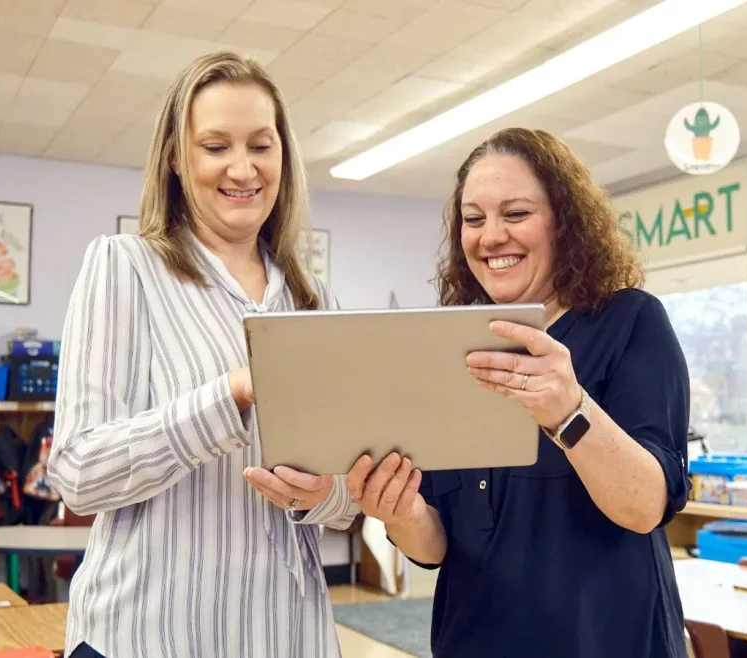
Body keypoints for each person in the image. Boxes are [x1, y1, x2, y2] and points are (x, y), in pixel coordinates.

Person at [48, 51, 359, 658]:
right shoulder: (124, 267)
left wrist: (327, 492)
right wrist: (229, 396)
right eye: (216, 146)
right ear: (176, 157)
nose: (243, 168)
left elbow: (346, 503)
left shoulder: (314, 301)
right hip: (147, 636)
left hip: (285, 635)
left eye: (261, 145)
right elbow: (78, 475)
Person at [348, 128, 691, 658]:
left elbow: (645, 507)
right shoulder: (448, 348)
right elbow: (435, 545)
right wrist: (398, 512)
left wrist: (569, 411)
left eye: (515, 214)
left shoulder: (630, 322)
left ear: (565, 224)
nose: (491, 237)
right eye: (474, 219)